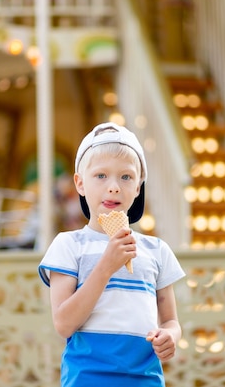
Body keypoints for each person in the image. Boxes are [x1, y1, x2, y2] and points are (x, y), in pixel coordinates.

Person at [38, 122, 186, 387]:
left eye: (126, 177)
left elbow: (171, 320)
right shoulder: (68, 245)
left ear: (139, 187)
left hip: (145, 378)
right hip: (87, 378)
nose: (114, 186)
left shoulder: (156, 250)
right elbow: (63, 324)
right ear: (80, 184)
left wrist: (170, 336)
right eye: (101, 176)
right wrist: (106, 266)